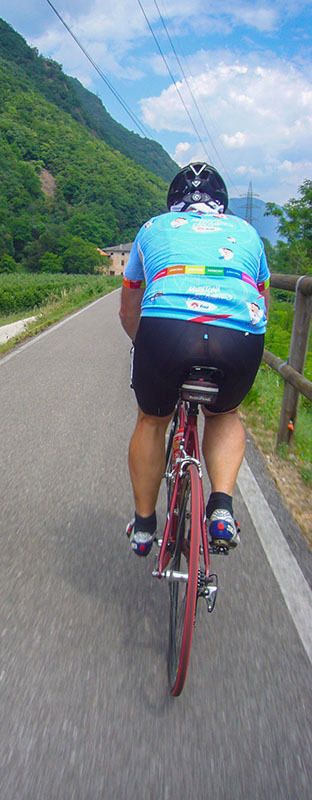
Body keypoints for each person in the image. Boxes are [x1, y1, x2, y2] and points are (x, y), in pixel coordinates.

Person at [119, 162, 270, 556]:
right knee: (224, 415)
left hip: (166, 331)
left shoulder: (152, 228)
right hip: (239, 336)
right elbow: (262, 303)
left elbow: (128, 309)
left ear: (173, 203)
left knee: (152, 420)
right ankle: (221, 509)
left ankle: (144, 528)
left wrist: (145, 347)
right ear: (222, 204)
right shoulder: (247, 232)